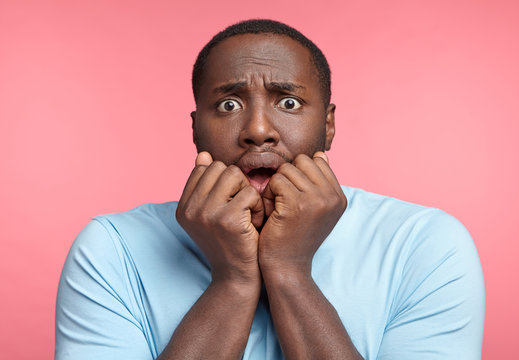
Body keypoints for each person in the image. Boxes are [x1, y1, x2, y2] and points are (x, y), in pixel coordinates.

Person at [55, 19, 485, 359]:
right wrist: (234, 281)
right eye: (228, 104)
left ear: (329, 124)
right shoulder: (112, 248)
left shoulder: (424, 243)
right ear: (195, 129)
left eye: (289, 103)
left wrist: (289, 270)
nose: (258, 131)